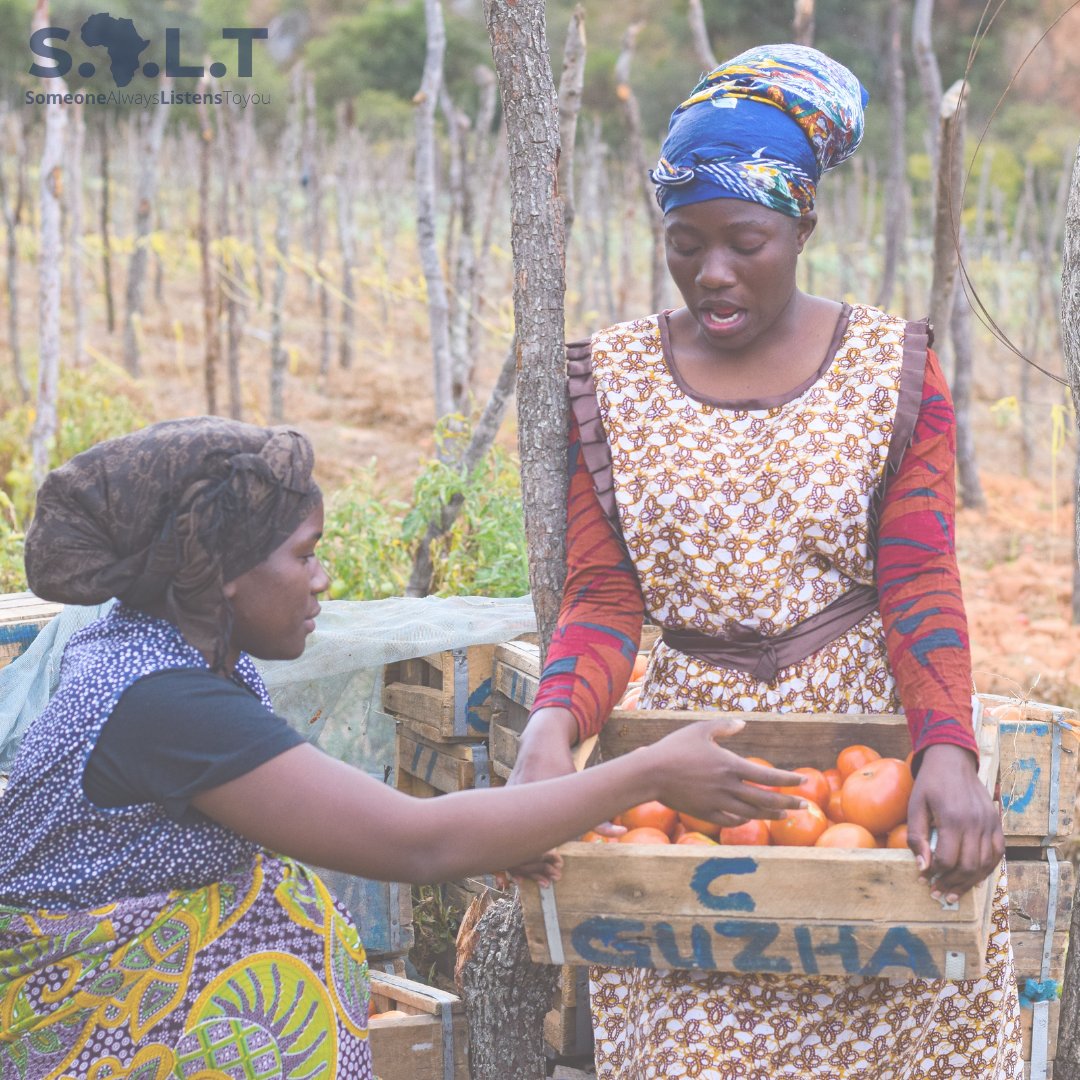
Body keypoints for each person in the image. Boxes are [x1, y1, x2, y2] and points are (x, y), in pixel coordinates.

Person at [0, 416, 810, 1080]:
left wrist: (510, 825)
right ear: (222, 577)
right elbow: (413, 841)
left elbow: (305, 807)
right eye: (304, 554)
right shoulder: (164, 699)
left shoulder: (154, 649)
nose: (321, 580)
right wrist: (649, 772)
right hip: (96, 1024)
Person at [511, 44, 1022, 1079]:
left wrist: (947, 753)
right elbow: (606, 599)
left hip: (861, 734)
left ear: (805, 227)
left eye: (746, 240)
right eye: (684, 242)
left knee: (907, 1038)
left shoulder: (894, 370)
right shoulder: (612, 379)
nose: (713, 272)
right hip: (688, 761)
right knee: (696, 1043)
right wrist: (551, 735)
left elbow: (919, 578)